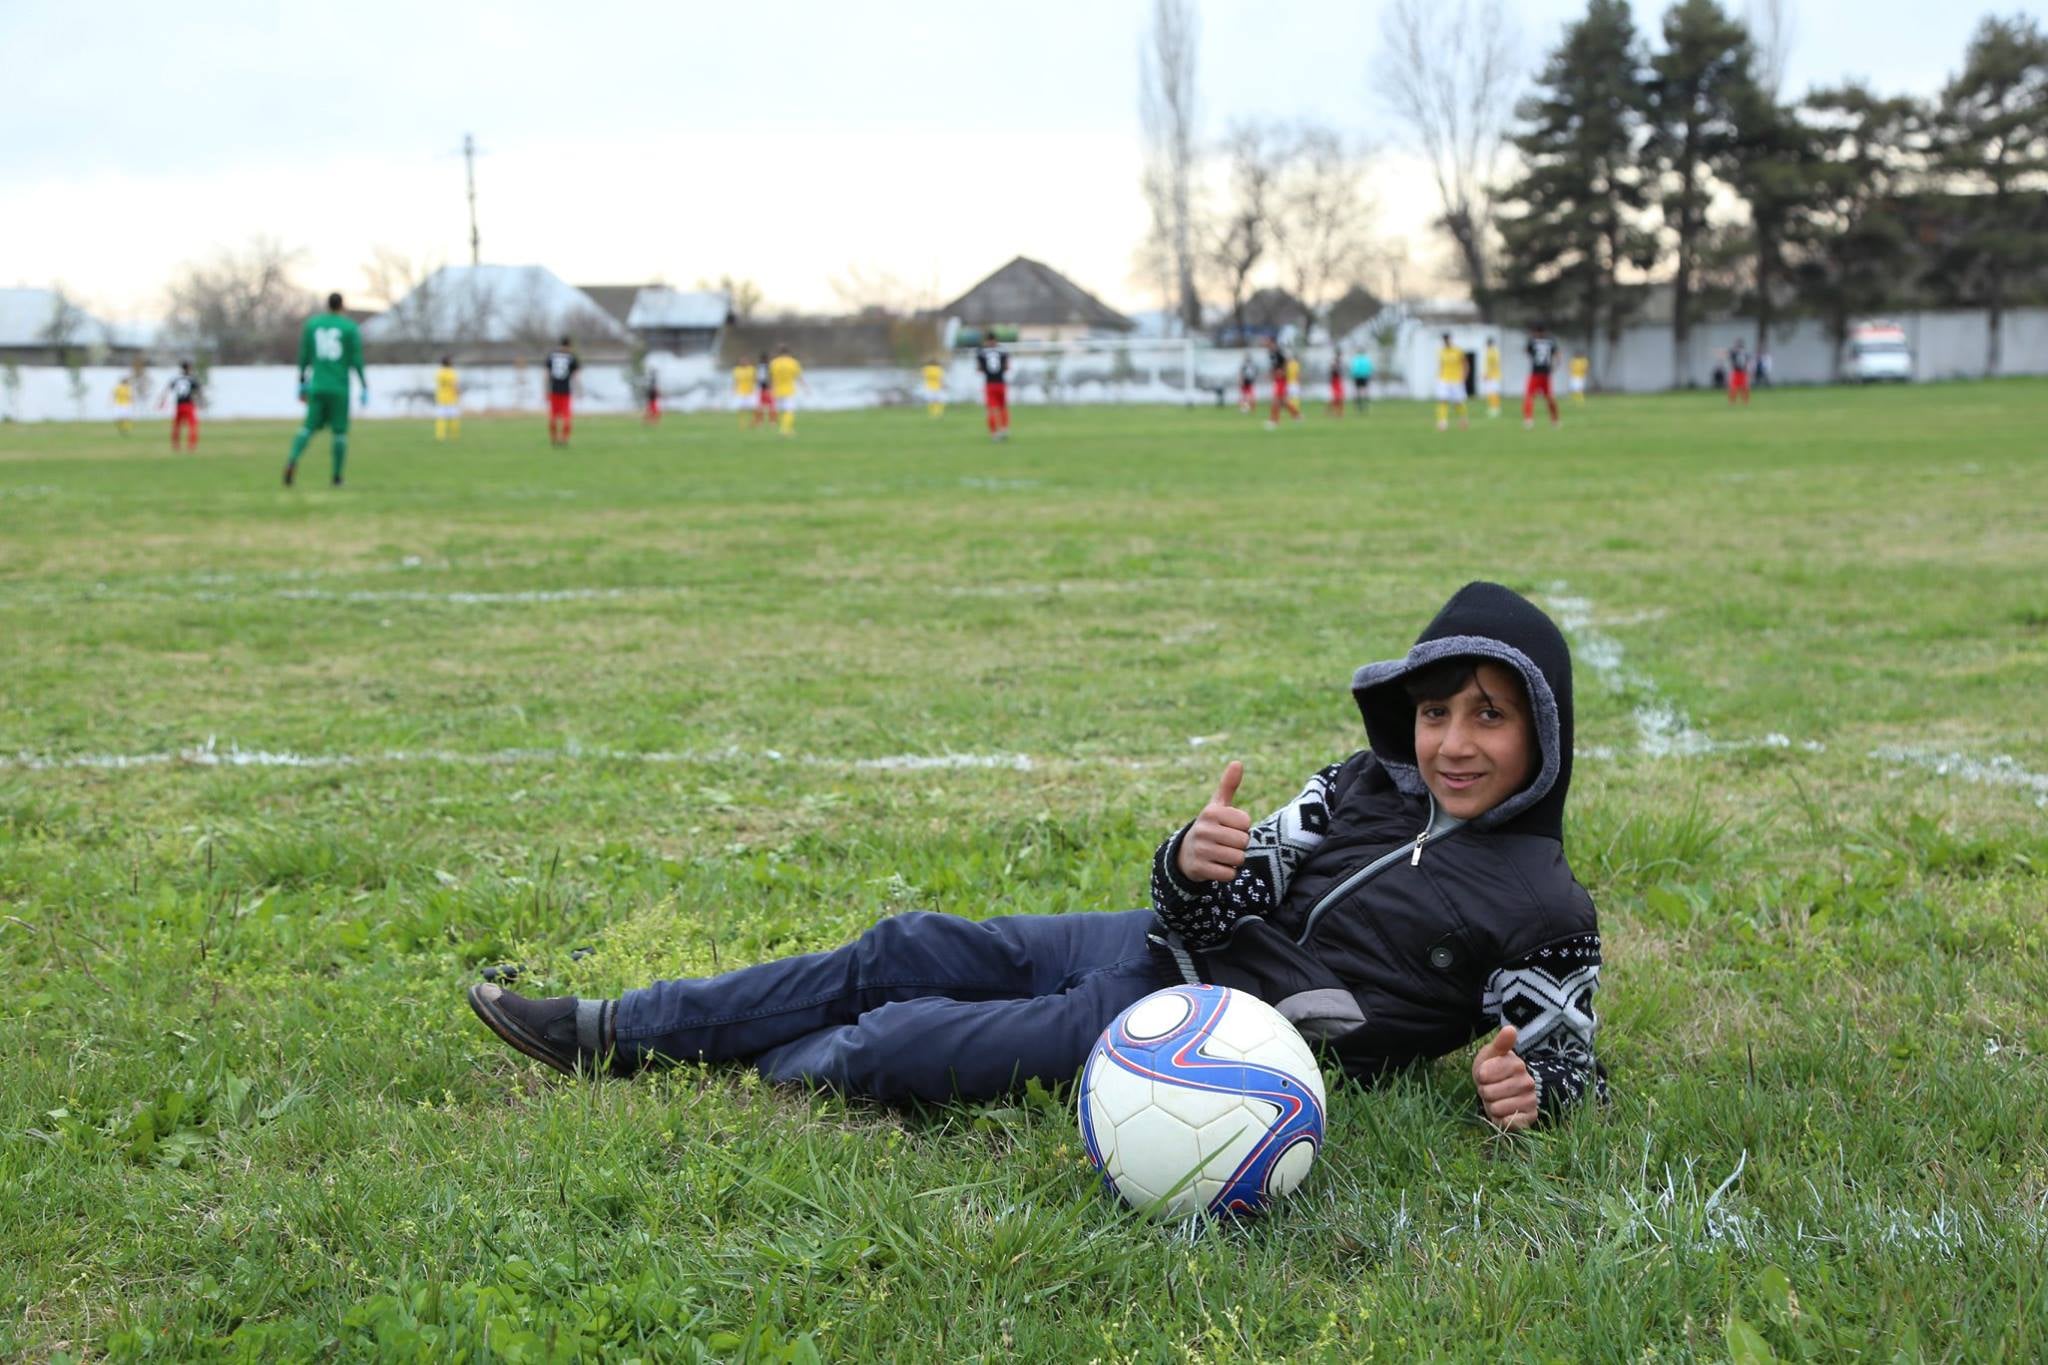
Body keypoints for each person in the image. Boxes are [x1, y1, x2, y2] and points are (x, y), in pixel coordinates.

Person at [467, 581, 1607, 1129]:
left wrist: (1525, 1090)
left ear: (1540, 732)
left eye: (1488, 716)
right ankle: (617, 1028)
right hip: (1157, 951)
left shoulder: (1542, 901)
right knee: (908, 944)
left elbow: (1564, 1067)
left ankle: (710, 1070)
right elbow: (1223, 897)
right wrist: (1194, 862)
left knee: (895, 1042)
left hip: (1199, 1032)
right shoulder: (1361, 783)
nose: (1452, 743)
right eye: (1435, 712)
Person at [284, 294, 368, 486]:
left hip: (317, 385)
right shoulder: (349, 327)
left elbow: (304, 356)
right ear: (342, 306)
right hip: (339, 388)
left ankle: (292, 460)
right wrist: (364, 385)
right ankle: (337, 477)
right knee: (339, 433)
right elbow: (356, 360)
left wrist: (302, 382)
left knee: (307, 427)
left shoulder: (313, 325)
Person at [1523, 325, 1561, 429]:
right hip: (1546, 373)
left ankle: (1528, 420)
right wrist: (1555, 366)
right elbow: (1558, 355)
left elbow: (1526, 352)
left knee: (1529, 396)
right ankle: (1555, 420)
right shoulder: (1551, 341)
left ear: (1536, 332)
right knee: (1549, 397)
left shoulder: (1532, 341)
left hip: (1535, 373)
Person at [158, 361, 202, 451]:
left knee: (177, 426)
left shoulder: (176, 379)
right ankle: (191, 446)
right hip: (189, 404)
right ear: (189, 368)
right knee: (193, 426)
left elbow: (167, 389)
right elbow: (198, 391)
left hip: (179, 405)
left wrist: (162, 400)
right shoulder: (192, 379)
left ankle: (176, 445)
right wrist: (201, 401)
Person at [975, 331, 1010, 441]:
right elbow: (1007, 367)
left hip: (989, 384)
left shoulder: (981, 351)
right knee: (1002, 407)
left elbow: (979, 369)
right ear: (996, 340)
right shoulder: (1003, 350)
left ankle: (994, 433)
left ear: (986, 340)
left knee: (991, 409)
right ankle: (1004, 429)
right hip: (1001, 383)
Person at [544, 337, 579, 447]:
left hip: (553, 390)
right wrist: (579, 390)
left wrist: (545, 390)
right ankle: (564, 439)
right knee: (567, 417)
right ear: (569, 346)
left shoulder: (551, 356)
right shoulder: (572, 357)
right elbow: (576, 376)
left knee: (553, 416)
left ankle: (553, 439)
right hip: (565, 391)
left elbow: (546, 375)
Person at [1435, 333, 1468, 432]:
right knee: (1442, 399)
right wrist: (1439, 377)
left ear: (1451, 340)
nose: (1446, 342)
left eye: (1448, 340)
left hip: (1456, 379)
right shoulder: (1441, 351)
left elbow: (1465, 364)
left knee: (1457, 402)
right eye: (1445, 340)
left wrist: (1464, 376)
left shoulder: (1458, 351)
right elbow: (1441, 365)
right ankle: (1442, 422)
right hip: (1444, 379)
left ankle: (1463, 418)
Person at [1263, 336, 1298, 430]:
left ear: (1271, 342)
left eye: (1266, 341)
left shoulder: (1278, 352)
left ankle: (1274, 421)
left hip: (1282, 379)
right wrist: (1271, 374)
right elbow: (1273, 366)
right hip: (1277, 379)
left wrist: (1282, 371)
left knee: (1276, 400)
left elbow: (1286, 362)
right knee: (1283, 401)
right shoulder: (1270, 353)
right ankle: (1296, 415)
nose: (1265, 343)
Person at [768, 345, 802, 437]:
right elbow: (798, 377)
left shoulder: (773, 363)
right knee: (789, 410)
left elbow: (770, 377)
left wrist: (770, 388)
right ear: (789, 353)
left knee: (782, 410)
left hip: (777, 389)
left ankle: (789, 429)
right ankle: (784, 430)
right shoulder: (793, 362)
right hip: (789, 390)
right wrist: (805, 388)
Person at [434, 356, 461, 442]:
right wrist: (458, 393)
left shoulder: (439, 373)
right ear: (449, 363)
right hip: (451, 398)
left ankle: (440, 436)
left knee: (441, 418)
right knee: (453, 418)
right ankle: (454, 436)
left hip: (441, 398)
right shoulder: (451, 373)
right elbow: (454, 385)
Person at [732, 356, 758, 430]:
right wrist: (734, 389)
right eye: (742, 361)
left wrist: (755, 389)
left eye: (745, 361)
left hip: (750, 391)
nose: (743, 362)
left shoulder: (752, 369)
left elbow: (755, 379)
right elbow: (735, 381)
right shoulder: (737, 370)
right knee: (741, 408)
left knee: (753, 408)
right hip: (740, 391)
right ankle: (742, 424)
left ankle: (753, 422)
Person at [1481, 337, 1503, 419]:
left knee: (1493, 392)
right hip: (1490, 375)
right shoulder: (1490, 352)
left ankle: (1495, 408)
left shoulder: (1493, 352)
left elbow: (1493, 365)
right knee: (1490, 392)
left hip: (1493, 375)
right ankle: (1492, 407)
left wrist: (1487, 374)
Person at [754, 352, 777, 428]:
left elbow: (758, 379)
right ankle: (771, 422)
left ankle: (760, 422)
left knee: (761, 406)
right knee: (771, 406)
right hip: (766, 389)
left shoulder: (759, 367)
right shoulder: (765, 367)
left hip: (761, 389)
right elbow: (764, 379)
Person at [1727, 339, 1751, 406]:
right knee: (1735, 388)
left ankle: (1744, 401)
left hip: (1740, 372)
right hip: (1738, 372)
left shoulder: (1738, 353)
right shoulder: (1742, 353)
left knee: (1743, 387)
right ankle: (1734, 401)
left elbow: (1747, 363)